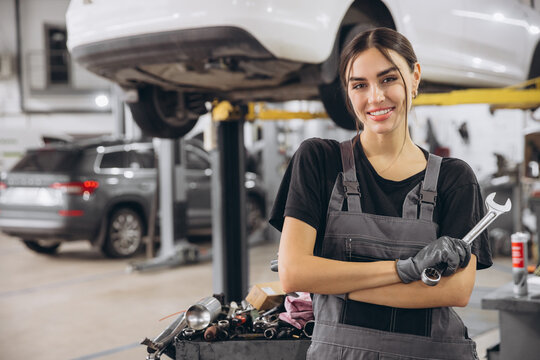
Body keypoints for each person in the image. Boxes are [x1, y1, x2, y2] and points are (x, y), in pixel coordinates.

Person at [269, 27, 492, 360]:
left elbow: (457, 290)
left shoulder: (454, 179)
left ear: (414, 77)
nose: (375, 97)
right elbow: (294, 274)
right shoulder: (319, 160)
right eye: (359, 85)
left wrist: (333, 282)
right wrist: (407, 269)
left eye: (388, 79)